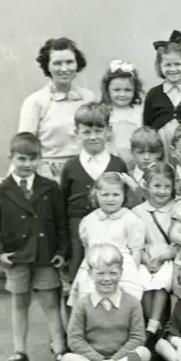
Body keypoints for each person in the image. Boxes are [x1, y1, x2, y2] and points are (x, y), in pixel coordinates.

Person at [0, 132, 68, 361]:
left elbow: (61, 223)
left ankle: (60, 349)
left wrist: (61, 251)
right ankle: (19, 351)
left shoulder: (50, 187)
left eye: (33, 159)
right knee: (19, 303)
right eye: (21, 159)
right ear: (10, 157)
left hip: (44, 254)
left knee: (49, 302)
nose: (27, 165)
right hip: (16, 256)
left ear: (40, 159)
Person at [60, 243, 152, 361]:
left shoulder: (132, 302)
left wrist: (115, 360)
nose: (107, 279)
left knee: (143, 352)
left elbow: (137, 337)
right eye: (101, 273)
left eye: (113, 273)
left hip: (123, 358)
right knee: (67, 359)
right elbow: (75, 339)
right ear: (89, 274)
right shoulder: (82, 304)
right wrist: (99, 360)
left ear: (121, 272)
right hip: (93, 360)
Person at [60, 103, 129, 285]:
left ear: (109, 131)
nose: (93, 137)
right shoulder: (70, 167)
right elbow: (63, 202)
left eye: (99, 131)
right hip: (77, 229)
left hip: (111, 226)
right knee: (78, 272)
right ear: (77, 132)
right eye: (87, 132)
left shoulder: (117, 165)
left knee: (109, 268)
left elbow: (126, 198)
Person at [18, 37, 96, 181]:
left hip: (85, 170)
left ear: (77, 63)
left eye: (69, 62)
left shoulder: (88, 98)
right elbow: (24, 145)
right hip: (48, 174)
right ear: (47, 66)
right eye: (57, 63)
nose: (64, 69)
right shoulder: (35, 102)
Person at [67, 172, 148, 305]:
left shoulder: (130, 218)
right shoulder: (89, 220)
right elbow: (88, 250)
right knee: (90, 300)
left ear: (123, 196)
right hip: (95, 266)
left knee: (122, 302)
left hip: (122, 267)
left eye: (115, 194)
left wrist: (134, 273)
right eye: (105, 195)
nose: (110, 199)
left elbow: (136, 250)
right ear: (96, 195)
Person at [142, 31, 181, 161]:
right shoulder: (153, 94)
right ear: (160, 67)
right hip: (162, 150)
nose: (173, 69)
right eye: (167, 65)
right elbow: (147, 126)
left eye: (177, 64)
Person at [132, 163, 178, 339]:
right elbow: (135, 243)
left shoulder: (177, 208)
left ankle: (154, 328)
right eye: (157, 186)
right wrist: (144, 259)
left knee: (161, 281)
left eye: (167, 186)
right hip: (145, 258)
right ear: (146, 186)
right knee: (142, 282)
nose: (162, 191)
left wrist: (163, 257)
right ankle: (152, 327)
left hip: (169, 258)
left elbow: (179, 242)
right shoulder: (137, 212)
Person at [99, 59, 145, 167]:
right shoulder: (104, 111)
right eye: (116, 90)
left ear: (135, 90)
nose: (122, 94)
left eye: (127, 90)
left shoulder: (139, 111)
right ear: (108, 90)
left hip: (135, 163)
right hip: (109, 163)